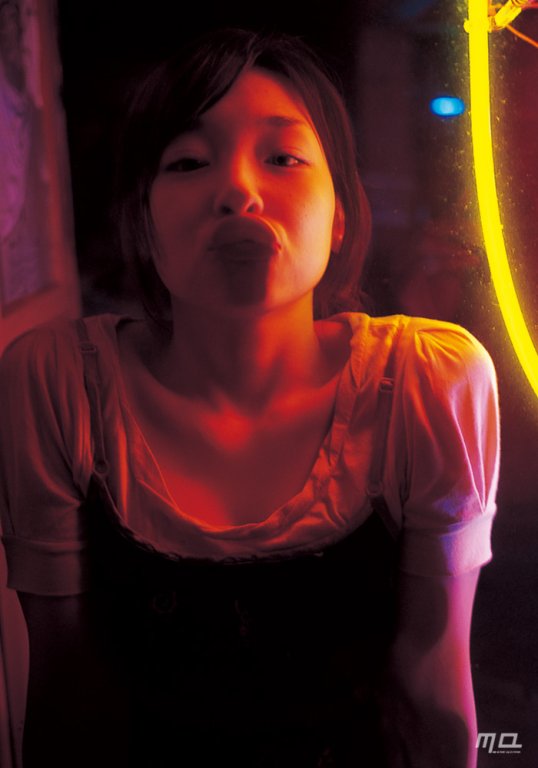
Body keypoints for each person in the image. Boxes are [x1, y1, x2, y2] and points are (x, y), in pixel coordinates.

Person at [0, 27, 499, 768]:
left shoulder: (428, 384)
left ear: (340, 215)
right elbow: (64, 697)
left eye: (283, 157)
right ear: (143, 223)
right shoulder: (57, 385)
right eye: (188, 162)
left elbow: (433, 695)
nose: (238, 192)